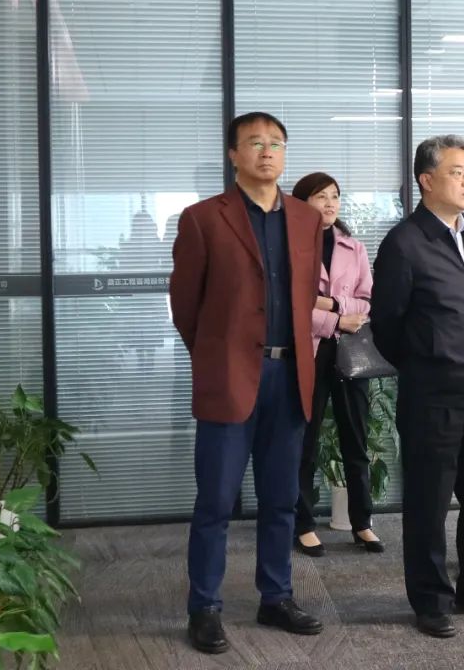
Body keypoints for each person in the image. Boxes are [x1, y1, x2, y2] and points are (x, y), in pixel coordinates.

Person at [170, 111, 325, 655]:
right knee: (215, 501)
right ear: (233, 154)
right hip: (231, 376)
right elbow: (185, 306)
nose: (267, 151)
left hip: (291, 375)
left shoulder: (307, 219)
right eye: (255, 143)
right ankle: (204, 607)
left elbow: (305, 297)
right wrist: (218, 357)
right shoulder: (202, 218)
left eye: (276, 143)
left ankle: (275, 596)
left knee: (282, 498)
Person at [371, 135, 464, 639]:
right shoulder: (405, 242)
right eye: (457, 173)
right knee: (429, 505)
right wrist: (429, 361)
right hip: (433, 398)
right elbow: (387, 324)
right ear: (427, 180)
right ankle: (431, 599)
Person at [290, 171, 384, 556]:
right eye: (320, 197)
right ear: (301, 204)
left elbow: (368, 299)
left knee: (355, 439)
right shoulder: (291, 246)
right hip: (310, 351)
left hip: (349, 352)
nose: (329, 203)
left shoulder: (353, 247)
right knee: (305, 441)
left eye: (334, 196)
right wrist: (335, 320)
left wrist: (331, 305)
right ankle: (302, 524)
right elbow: (291, 303)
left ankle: (362, 523)